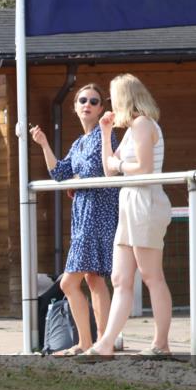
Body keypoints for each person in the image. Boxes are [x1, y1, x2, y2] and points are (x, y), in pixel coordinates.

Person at [83, 74, 173, 359]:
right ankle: (106, 343)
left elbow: (144, 168)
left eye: (112, 96)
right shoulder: (131, 130)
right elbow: (109, 170)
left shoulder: (144, 124)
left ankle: (161, 343)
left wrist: (120, 164)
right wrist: (107, 131)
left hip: (146, 200)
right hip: (129, 200)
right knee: (120, 278)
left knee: (151, 275)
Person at [30, 84, 120, 355]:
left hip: (98, 213)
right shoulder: (79, 142)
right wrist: (44, 143)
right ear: (75, 106)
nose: (88, 105)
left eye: (94, 101)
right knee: (93, 279)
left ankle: (97, 342)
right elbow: (59, 173)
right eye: (83, 100)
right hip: (82, 215)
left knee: (71, 282)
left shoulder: (106, 136)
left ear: (101, 108)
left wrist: (76, 181)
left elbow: (98, 172)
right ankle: (92, 343)